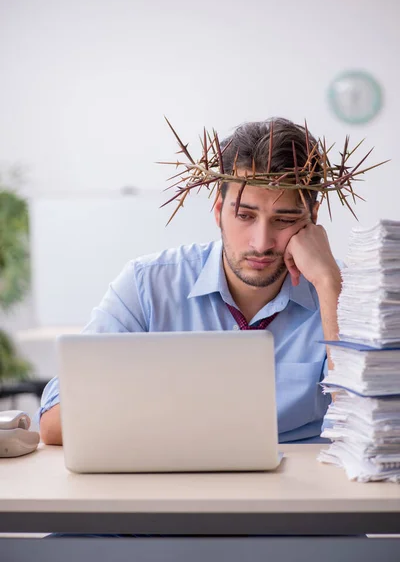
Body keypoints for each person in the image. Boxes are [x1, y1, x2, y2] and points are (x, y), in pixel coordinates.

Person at [39, 117, 342, 446]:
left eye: (284, 219)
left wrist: (328, 287)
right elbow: (55, 424)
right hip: (174, 487)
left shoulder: (349, 292)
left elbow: (373, 426)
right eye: (244, 215)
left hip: (305, 492)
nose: (261, 242)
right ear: (218, 211)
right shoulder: (147, 285)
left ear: (312, 218)